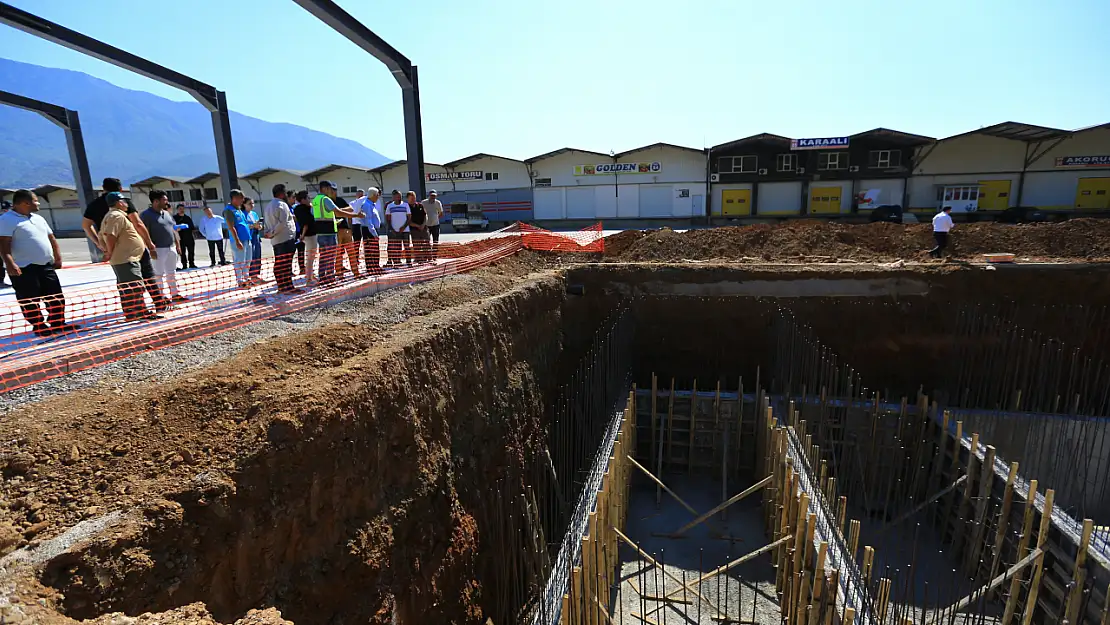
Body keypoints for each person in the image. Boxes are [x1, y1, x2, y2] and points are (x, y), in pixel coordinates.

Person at [0, 190, 78, 337]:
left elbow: (51, 238)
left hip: (45, 265)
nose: (38, 203)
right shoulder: (6, 220)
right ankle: (39, 326)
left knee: (55, 295)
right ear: (25, 203)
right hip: (23, 267)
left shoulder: (38, 218)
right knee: (29, 299)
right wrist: (10, 264)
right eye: (36, 200)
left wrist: (57, 257)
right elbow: (3, 244)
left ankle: (58, 323)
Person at [101, 192, 161, 321]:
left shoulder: (113, 215)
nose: (127, 204)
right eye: (124, 201)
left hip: (127, 257)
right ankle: (140, 312)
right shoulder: (116, 216)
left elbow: (102, 236)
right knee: (134, 286)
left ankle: (132, 313)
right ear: (118, 203)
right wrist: (109, 252)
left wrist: (107, 250)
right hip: (126, 258)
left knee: (129, 286)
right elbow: (110, 236)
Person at [82, 177, 158, 264]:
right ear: (121, 189)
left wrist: (99, 243)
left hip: (113, 249)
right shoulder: (123, 203)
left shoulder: (93, 205)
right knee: (144, 274)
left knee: (122, 274)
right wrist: (149, 244)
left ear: (103, 188)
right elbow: (137, 224)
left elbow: (86, 226)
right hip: (131, 245)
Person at [310, 181, 363, 286]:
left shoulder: (315, 200)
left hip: (320, 232)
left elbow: (317, 215)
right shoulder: (325, 199)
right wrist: (356, 215)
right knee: (331, 256)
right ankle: (330, 278)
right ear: (325, 189)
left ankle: (322, 277)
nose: (331, 191)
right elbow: (338, 212)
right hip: (329, 231)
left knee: (323, 256)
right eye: (330, 189)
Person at [140, 191, 188, 303]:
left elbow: (173, 229)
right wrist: (150, 248)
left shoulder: (166, 214)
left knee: (171, 272)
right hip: (157, 249)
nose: (166, 202)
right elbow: (142, 232)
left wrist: (177, 244)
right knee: (158, 274)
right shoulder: (146, 215)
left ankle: (175, 294)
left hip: (170, 247)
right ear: (156, 201)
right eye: (164, 200)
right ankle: (161, 296)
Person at [263, 184, 302, 294]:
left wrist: (269, 233)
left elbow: (267, 223)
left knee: (279, 263)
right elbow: (283, 223)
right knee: (286, 264)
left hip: (275, 240)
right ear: (281, 193)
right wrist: (273, 232)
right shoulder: (281, 205)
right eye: (285, 193)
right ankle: (288, 287)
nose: (286, 195)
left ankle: (281, 287)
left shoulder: (268, 206)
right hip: (285, 238)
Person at [223, 190, 253, 288]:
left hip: (247, 238)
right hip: (238, 240)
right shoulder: (229, 210)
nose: (242, 201)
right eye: (241, 198)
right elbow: (231, 227)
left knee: (248, 260)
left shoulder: (239, 210)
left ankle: (246, 278)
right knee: (239, 260)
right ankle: (240, 281)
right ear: (234, 198)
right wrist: (237, 241)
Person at [352, 187, 383, 274]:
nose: (378, 197)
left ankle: (375, 267)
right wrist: (374, 234)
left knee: (375, 250)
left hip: (371, 229)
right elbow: (368, 221)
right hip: (368, 230)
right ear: (373, 195)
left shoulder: (371, 204)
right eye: (377, 195)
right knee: (371, 250)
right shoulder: (366, 205)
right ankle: (371, 268)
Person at [292, 191, 318, 286]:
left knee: (310, 257)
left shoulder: (298, 209)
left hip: (307, 234)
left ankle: (310, 275)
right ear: (303, 200)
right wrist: (302, 235)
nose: (309, 200)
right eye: (307, 198)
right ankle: (309, 279)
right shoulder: (304, 210)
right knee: (311, 257)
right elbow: (306, 224)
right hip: (309, 235)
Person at [335, 192, 359, 279]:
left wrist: (339, 211)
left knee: (351, 252)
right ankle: (339, 273)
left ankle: (356, 272)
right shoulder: (326, 201)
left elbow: (350, 209)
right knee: (338, 254)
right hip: (335, 230)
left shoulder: (339, 200)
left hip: (345, 229)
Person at [384, 189, 411, 267]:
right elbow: (387, 218)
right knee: (396, 247)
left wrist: (404, 227)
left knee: (407, 246)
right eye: (396, 196)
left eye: (399, 196)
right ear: (393, 197)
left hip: (405, 230)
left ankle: (408, 262)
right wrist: (391, 229)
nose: (398, 198)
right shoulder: (390, 206)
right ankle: (397, 262)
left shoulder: (405, 205)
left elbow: (409, 217)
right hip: (394, 230)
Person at [243, 197, 264, 283]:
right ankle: (250, 275)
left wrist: (259, 227)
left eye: (253, 203)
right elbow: (243, 226)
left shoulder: (254, 214)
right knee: (251, 257)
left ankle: (256, 274)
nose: (252, 205)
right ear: (244, 204)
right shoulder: (243, 214)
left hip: (256, 236)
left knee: (257, 255)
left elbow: (258, 224)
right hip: (249, 238)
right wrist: (252, 226)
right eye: (249, 204)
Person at [407, 191, 430, 263]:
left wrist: (423, 224)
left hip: (423, 228)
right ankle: (418, 259)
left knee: (427, 243)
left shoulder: (420, 205)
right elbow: (407, 220)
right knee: (417, 245)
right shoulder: (406, 207)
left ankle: (428, 258)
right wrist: (417, 226)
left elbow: (425, 215)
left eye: (414, 198)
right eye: (411, 198)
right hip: (414, 229)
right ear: (408, 198)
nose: (413, 200)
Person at [173, 204, 198, 269]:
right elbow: (173, 227)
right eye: (180, 209)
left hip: (189, 237)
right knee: (182, 252)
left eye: (183, 209)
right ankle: (184, 265)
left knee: (191, 251)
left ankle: (191, 263)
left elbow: (192, 227)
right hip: (180, 238)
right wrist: (178, 228)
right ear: (177, 210)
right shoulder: (174, 218)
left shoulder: (187, 218)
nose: (182, 210)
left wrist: (186, 227)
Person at [423, 189, 444, 259]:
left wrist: (436, 218)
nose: (433, 197)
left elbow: (441, 213)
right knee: (426, 241)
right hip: (427, 225)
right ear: (429, 195)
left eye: (434, 196)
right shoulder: (424, 202)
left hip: (435, 225)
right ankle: (428, 256)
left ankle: (434, 256)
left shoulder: (438, 203)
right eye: (432, 196)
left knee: (435, 241)